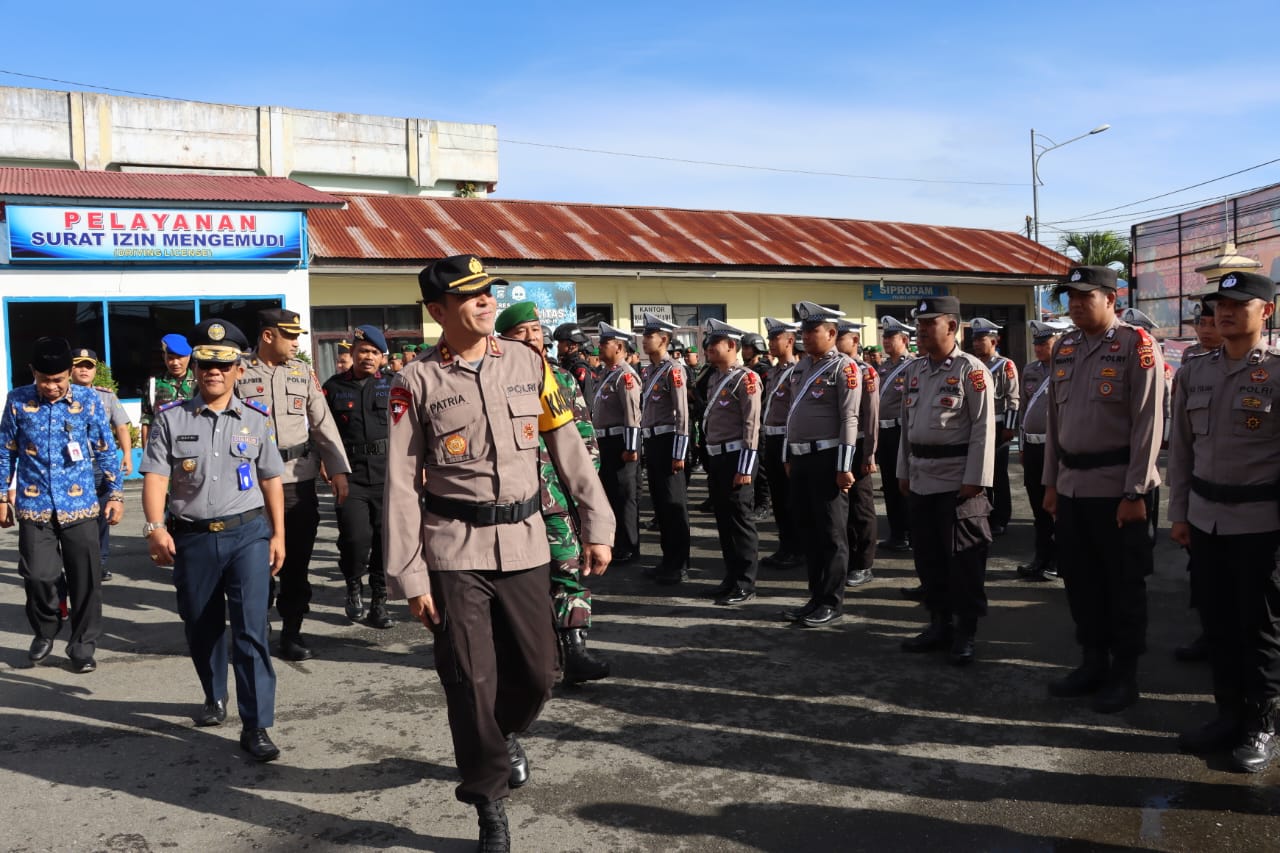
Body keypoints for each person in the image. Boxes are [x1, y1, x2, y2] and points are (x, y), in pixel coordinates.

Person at [383, 255, 614, 852]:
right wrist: (411, 575)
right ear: (438, 311)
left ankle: (503, 734)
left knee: (540, 673)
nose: (486, 301)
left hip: (526, 543)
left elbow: (568, 448)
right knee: (468, 680)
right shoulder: (415, 381)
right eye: (470, 296)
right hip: (454, 550)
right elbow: (402, 484)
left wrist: (597, 522)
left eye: (488, 292)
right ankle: (487, 800)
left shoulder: (529, 364)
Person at [140, 319, 286, 761]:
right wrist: (154, 527)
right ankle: (214, 696)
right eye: (205, 364)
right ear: (196, 368)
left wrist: (279, 533)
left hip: (247, 535)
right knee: (201, 626)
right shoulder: (171, 419)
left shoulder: (257, 421)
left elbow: (272, 480)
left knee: (251, 631)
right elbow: (155, 478)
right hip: (194, 540)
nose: (213, 373)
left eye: (223, 365)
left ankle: (257, 724)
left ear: (239, 369)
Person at [1168, 270, 1280, 771]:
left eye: (1239, 304)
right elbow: (1182, 452)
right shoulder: (1196, 371)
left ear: (1267, 312)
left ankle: (1261, 724)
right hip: (1207, 520)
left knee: (1261, 629)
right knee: (1217, 624)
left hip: (1262, 522)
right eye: (1220, 305)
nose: (1225, 312)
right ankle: (1227, 714)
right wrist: (1179, 513)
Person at [1043, 265, 1164, 713]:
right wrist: (1051, 483)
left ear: (1111, 298)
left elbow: (1148, 424)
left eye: (1084, 296)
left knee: (1123, 586)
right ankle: (1092, 662)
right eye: (1069, 298)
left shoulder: (1136, 346)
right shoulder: (1066, 348)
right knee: (1082, 582)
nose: (1074, 304)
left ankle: (1124, 675)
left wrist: (1135, 492)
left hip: (1117, 490)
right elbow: (1056, 423)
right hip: (1073, 487)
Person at [497, 301, 611, 685]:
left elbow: (585, 441)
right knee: (520, 582)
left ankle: (575, 650)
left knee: (568, 570)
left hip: (557, 499)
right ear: (503, 341)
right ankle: (530, 658)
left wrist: (582, 493)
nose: (531, 339)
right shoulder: (492, 380)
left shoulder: (561, 378)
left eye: (535, 331)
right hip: (511, 502)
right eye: (520, 333)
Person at [0, 337, 124, 673]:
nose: (51, 387)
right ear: (33, 373)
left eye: (58, 380)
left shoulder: (89, 400)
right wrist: (1, 495)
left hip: (81, 504)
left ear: (70, 373)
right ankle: (46, 627)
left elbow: (104, 448)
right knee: (39, 575)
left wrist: (115, 493)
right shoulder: (17, 401)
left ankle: (82, 645)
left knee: (87, 580)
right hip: (34, 504)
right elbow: (5, 451)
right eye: (44, 380)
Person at [236, 308, 351, 662]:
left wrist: (339, 470)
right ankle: (256, 627)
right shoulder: (238, 371)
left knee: (297, 562)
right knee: (254, 562)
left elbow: (323, 423)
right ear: (268, 336)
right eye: (290, 335)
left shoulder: (302, 373)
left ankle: (292, 631)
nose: (296, 342)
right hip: (251, 483)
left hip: (297, 480)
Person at [897, 297, 995, 665]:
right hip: (921, 477)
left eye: (929, 324)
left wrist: (976, 480)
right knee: (929, 558)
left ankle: (965, 630)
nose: (921, 330)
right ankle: (938, 623)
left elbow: (984, 430)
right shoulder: (915, 370)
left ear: (952, 327)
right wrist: (903, 471)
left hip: (957, 482)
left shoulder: (971, 371)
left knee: (964, 563)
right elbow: (907, 428)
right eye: (919, 324)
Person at [782, 302, 861, 628]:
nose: (805, 336)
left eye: (812, 331)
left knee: (831, 533)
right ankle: (815, 596)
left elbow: (850, 419)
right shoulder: (801, 367)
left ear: (831, 333)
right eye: (803, 331)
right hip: (801, 458)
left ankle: (831, 600)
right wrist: (788, 455)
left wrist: (844, 465)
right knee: (809, 531)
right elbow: (791, 415)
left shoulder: (845, 368)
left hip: (828, 459)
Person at [322, 324, 394, 629]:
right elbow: (322, 432)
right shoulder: (334, 387)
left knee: (384, 542)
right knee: (355, 539)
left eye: (374, 353)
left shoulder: (394, 384)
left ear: (382, 358)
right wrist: (329, 465)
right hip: (350, 476)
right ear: (352, 353)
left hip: (387, 474)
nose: (368, 357)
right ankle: (354, 585)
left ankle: (380, 601)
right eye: (363, 351)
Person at [700, 319, 762, 604]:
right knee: (724, 521)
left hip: (738, 457)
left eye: (715, 345)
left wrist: (746, 468)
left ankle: (746, 582)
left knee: (740, 522)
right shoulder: (713, 377)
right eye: (709, 345)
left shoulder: (746, 378)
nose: (709, 349)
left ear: (732, 346)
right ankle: (731, 576)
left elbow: (751, 426)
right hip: (717, 457)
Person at [1173, 296, 1219, 664]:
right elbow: (1183, 443)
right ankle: (1208, 632)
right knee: (1203, 575)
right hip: (1202, 497)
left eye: (1210, 323)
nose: (1205, 330)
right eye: (1200, 324)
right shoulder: (1192, 365)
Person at [70, 347, 132, 582]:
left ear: (95, 370)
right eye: (79, 365)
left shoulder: (105, 396)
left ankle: (100, 564)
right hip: (73, 468)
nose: (84, 370)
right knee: (75, 517)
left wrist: (126, 454)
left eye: (89, 365)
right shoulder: (62, 397)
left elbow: (122, 426)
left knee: (103, 517)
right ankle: (76, 564)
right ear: (70, 369)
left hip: (101, 466)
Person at [639, 313, 691, 585]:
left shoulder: (674, 369)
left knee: (674, 504)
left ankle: (679, 563)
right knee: (661, 504)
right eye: (645, 335)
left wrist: (679, 452)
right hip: (654, 441)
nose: (645, 340)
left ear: (665, 339)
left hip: (670, 441)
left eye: (650, 336)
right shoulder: (648, 371)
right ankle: (667, 559)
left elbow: (682, 413)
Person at [1016, 320, 1070, 582]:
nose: (1038, 348)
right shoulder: (1030, 370)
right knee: (1038, 508)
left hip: (1055, 447)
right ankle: (1041, 557)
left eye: (1043, 343)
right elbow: (1023, 411)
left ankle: (1061, 559)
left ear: (1057, 342)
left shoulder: (1067, 369)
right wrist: (1023, 444)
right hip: (1033, 446)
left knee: (1057, 508)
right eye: (1036, 343)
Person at [591, 321, 643, 565]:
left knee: (625, 497)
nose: (600, 347)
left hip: (620, 442)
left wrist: (631, 448)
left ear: (619, 347)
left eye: (605, 343)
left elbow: (632, 414)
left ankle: (629, 545)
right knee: (611, 494)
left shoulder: (625, 376)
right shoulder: (607, 373)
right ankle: (617, 542)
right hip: (605, 441)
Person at [836, 320, 879, 589]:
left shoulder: (866, 372)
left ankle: (864, 563)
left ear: (853, 341)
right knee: (841, 508)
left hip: (860, 443)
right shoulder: (833, 368)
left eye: (840, 337)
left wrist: (870, 454)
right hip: (839, 444)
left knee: (861, 507)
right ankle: (847, 557)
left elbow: (872, 416)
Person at [760, 317, 804, 570]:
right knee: (778, 497)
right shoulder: (775, 370)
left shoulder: (796, 371)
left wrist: (788, 449)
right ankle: (785, 545)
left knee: (790, 499)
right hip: (772, 437)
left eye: (775, 338)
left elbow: (794, 412)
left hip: (787, 439)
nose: (770, 343)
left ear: (789, 341)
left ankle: (797, 548)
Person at [968, 318, 1019, 536]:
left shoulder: (1005, 365)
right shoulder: (972, 364)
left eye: (982, 340)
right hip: (978, 427)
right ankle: (985, 514)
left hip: (998, 426)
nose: (977, 344)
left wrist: (1009, 428)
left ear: (994, 341)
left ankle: (1001, 517)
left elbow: (1013, 398)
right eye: (975, 340)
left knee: (998, 475)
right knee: (981, 473)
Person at [876, 316, 916, 557]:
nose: (886, 341)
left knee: (906, 483)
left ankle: (911, 532)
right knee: (890, 485)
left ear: (904, 339)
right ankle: (897, 533)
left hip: (903, 430)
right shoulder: (883, 367)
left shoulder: (912, 365)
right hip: (885, 431)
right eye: (884, 337)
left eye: (890, 337)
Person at [140, 333, 194, 449]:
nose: (175, 363)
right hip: (162, 449)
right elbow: (147, 421)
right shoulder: (153, 384)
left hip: (194, 447)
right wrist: (146, 456)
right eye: (170, 358)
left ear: (189, 356)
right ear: (164, 356)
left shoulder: (200, 383)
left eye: (179, 357)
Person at [741, 332, 773, 521]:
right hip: (748, 423)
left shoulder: (764, 370)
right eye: (744, 347)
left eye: (748, 348)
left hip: (760, 423)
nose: (744, 351)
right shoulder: (744, 370)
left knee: (761, 466)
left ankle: (764, 503)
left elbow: (765, 399)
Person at [553, 323, 595, 408]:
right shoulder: (564, 365)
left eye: (561, 342)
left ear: (572, 345)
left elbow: (587, 402)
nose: (557, 346)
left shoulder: (579, 369)